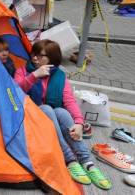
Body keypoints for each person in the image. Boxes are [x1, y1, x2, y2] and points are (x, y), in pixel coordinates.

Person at [14, 39, 111, 190]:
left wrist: (79, 123)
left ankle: (87, 162)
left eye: (41, 56)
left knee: (61, 111)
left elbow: (70, 100)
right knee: (46, 108)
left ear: (51, 59)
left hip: (52, 119)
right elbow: (15, 94)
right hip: (29, 118)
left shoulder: (59, 76)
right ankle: (70, 159)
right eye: (34, 54)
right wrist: (34, 76)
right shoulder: (22, 71)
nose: (34, 58)